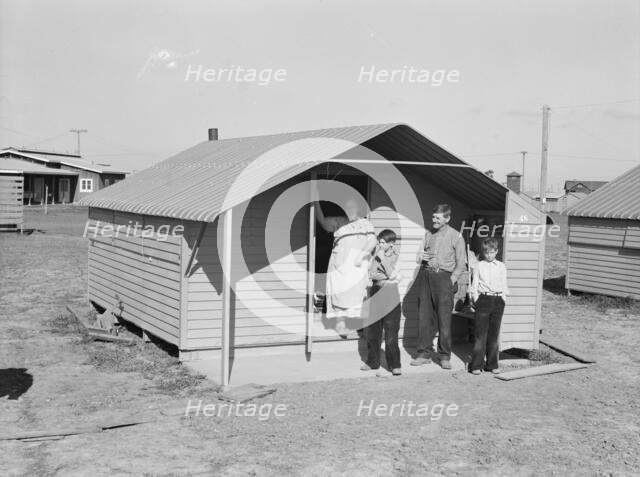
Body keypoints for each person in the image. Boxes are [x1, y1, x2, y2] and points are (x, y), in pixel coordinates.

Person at [412, 204, 466, 370]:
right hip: (426, 276)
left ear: (447, 219)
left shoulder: (456, 236)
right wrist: (422, 257)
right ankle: (424, 354)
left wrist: (451, 280)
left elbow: (461, 263)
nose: (434, 220)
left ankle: (444, 356)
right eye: (433, 217)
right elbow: (418, 257)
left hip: (444, 278)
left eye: (437, 218)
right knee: (424, 318)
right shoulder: (428, 234)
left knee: (444, 320)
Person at [315, 195, 377, 337]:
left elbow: (372, 241)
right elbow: (323, 222)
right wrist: (315, 202)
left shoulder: (365, 223)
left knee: (360, 295)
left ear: (358, 208)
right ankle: (340, 324)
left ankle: (360, 325)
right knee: (340, 295)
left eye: (352, 206)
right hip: (340, 266)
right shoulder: (338, 221)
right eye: (346, 206)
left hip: (358, 266)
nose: (349, 209)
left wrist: (361, 255)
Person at [361, 229, 403, 375]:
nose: (380, 244)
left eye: (383, 242)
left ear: (392, 243)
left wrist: (383, 261)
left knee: (391, 333)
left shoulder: (397, 257)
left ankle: (395, 365)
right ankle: (372, 362)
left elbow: (394, 276)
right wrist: (383, 274)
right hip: (375, 292)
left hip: (390, 294)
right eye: (379, 241)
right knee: (373, 331)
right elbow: (372, 274)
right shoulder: (374, 255)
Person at [469, 238, 509, 375]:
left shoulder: (501, 266)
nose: (489, 255)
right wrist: (476, 299)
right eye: (486, 253)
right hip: (483, 300)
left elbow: (504, 284)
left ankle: (491, 364)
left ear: (496, 251)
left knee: (494, 334)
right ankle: (476, 365)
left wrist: (503, 298)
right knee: (481, 335)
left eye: (492, 252)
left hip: (498, 300)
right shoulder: (479, 265)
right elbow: (474, 285)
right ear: (483, 252)